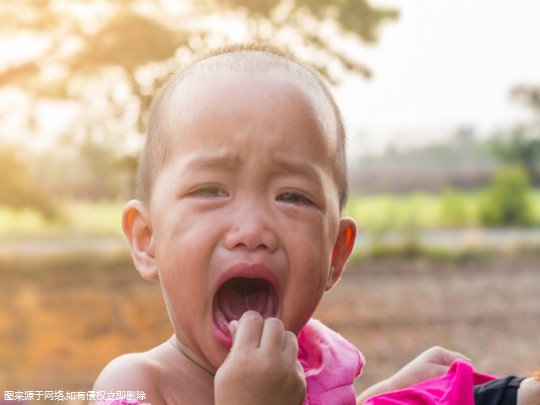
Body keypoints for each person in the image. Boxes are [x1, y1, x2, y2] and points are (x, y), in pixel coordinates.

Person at [92, 42, 537, 404]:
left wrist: (381, 399)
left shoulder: (310, 372)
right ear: (147, 240)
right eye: (211, 190)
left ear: (335, 255)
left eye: (292, 196)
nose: (252, 231)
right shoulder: (135, 386)